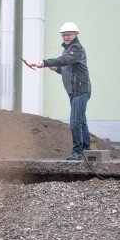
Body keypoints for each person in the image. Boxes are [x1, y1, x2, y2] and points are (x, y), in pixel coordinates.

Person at [36, 22, 92, 160]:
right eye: (64, 35)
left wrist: (46, 62)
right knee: (81, 120)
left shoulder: (76, 48)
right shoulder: (68, 49)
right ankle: (85, 148)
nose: (66, 37)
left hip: (80, 90)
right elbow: (68, 68)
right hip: (73, 90)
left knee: (74, 122)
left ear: (76, 35)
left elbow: (66, 59)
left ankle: (77, 152)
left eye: (69, 34)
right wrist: (58, 69)